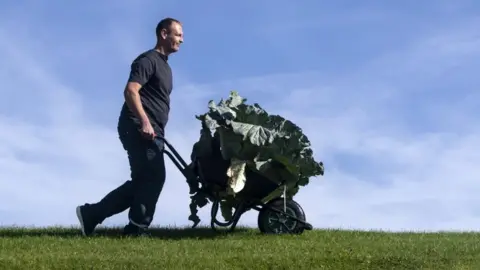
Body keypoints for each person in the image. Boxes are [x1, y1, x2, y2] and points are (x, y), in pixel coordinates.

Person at [75, 17, 184, 237]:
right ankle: (136, 228)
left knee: (143, 181)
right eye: (178, 34)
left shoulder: (166, 68)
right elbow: (130, 91)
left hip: (153, 130)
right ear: (164, 34)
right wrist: (144, 121)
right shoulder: (147, 60)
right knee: (153, 176)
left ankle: (91, 215)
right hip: (137, 126)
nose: (181, 40)